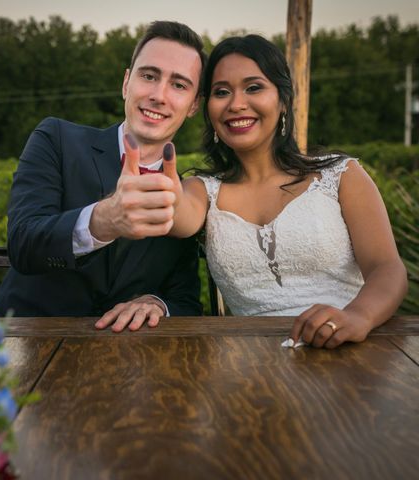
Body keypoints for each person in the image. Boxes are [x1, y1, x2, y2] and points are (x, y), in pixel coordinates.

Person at [157, 34, 407, 348]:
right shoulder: (202, 190)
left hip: (351, 349)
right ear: (208, 108)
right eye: (222, 92)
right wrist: (160, 192)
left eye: (254, 87)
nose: (236, 104)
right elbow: (180, 214)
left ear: (283, 100)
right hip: (252, 370)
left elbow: (387, 268)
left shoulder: (340, 175)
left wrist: (358, 316)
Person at [0, 21, 206, 330]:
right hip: (22, 344)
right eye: (149, 76)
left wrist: (158, 304)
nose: (159, 95)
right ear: (126, 83)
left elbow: (187, 302)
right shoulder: (56, 138)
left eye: (179, 85)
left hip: (121, 364)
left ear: (194, 105)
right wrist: (103, 220)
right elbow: (23, 243)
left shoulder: (183, 200)